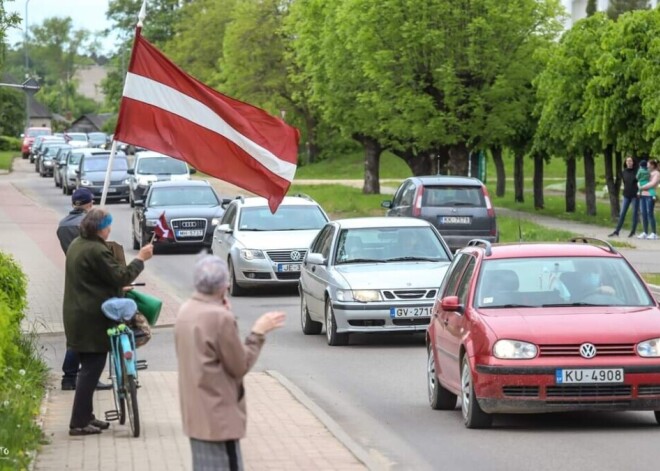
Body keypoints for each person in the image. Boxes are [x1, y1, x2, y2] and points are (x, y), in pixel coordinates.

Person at [175, 255, 285, 471]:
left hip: (196, 413)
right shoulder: (219, 318)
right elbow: (239, 365)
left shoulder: (186, 310)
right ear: (224, 285)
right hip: (218, 416)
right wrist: (258, 332)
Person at [63, 208, 153, 436]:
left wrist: (113, 286)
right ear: (100, 228)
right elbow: (121, 275)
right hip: (90, 317)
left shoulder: (78, 244)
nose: (110, 229)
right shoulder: (95, 250)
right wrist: (141, 259)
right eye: (107, 225)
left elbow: (92, 278)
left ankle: (87, 416)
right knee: (91, 369)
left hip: (79, 313)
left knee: (90, 368)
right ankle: (78, 423)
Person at [56, 189, 111, 391]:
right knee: (87, 336)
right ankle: (84, 377)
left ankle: (69, 377)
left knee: (77, 335)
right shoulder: (88, 227)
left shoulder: (62, 225)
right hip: (91, 281)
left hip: (74, 277)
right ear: (90, 203)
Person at [608, 156, 639, 238]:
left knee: (634, 213)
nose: (629, 162)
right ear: (625, 163)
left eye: (630, 161)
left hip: (635, 195)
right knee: (622, 213)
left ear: (633, 162)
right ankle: (617, 231)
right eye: (627, 161)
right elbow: (625, 183)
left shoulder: (636, 171)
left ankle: (633, 231)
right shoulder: (623, 172)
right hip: (626, 195)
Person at [638, 158, 660, 239]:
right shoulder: (647, 172)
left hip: (650, 195)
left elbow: (653, 184)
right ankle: (645, 232)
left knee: (649, 213)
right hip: (643, 194)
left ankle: (654, 233)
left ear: (653, 165)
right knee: (643, 213)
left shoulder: (656, 173)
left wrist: (642, 187)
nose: (647, 166)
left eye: (648, 164)